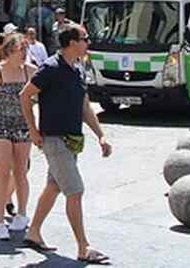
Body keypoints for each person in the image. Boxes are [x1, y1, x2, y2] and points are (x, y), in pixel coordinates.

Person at [19, 21, 112, 265]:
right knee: (75, 190)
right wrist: (33, 130)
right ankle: (84, 247)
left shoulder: (78, 68)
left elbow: (84, 105)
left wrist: (100, 134)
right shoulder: (50, 67)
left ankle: (33, 232)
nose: (88, 43)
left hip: (72, 140)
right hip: (54, 139)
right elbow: (25, 95)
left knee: (54, 186)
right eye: (85, 38)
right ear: (72, 43)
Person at [0, 31, 36, 240]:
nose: (25, 53)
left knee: (21, 170)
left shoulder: (31, 72)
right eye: (22, 49)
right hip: (0, 125)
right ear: (10, 51)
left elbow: (40, 97)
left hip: (22, 125)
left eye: (26, 49)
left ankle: (22, 213)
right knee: (2, 169)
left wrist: (37, 129)